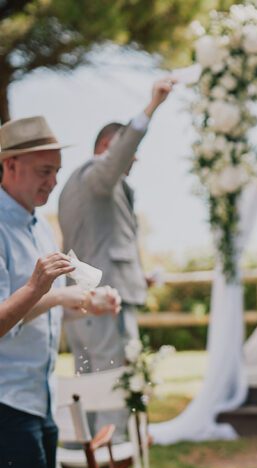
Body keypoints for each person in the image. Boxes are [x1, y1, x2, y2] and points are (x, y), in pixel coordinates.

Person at [0, 116, 120, 468]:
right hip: (4, 396)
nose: (51, 183)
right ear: (9, 166)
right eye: (43, 172)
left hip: (35, 389)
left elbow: (42, 300)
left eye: (56, 172)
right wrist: (38, 287)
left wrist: (82, 301)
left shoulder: (34, 223)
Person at [59, 76, 175, 437]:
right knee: (114, 388)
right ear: (109, 146)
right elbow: (121, 154)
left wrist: (138, 278)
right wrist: (151, 106)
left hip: (85, 307)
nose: (133, 159)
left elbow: (99, 247)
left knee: (92, 389)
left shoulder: (76, 188)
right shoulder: (95, 175)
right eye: (127, 151)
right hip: (103, 307)